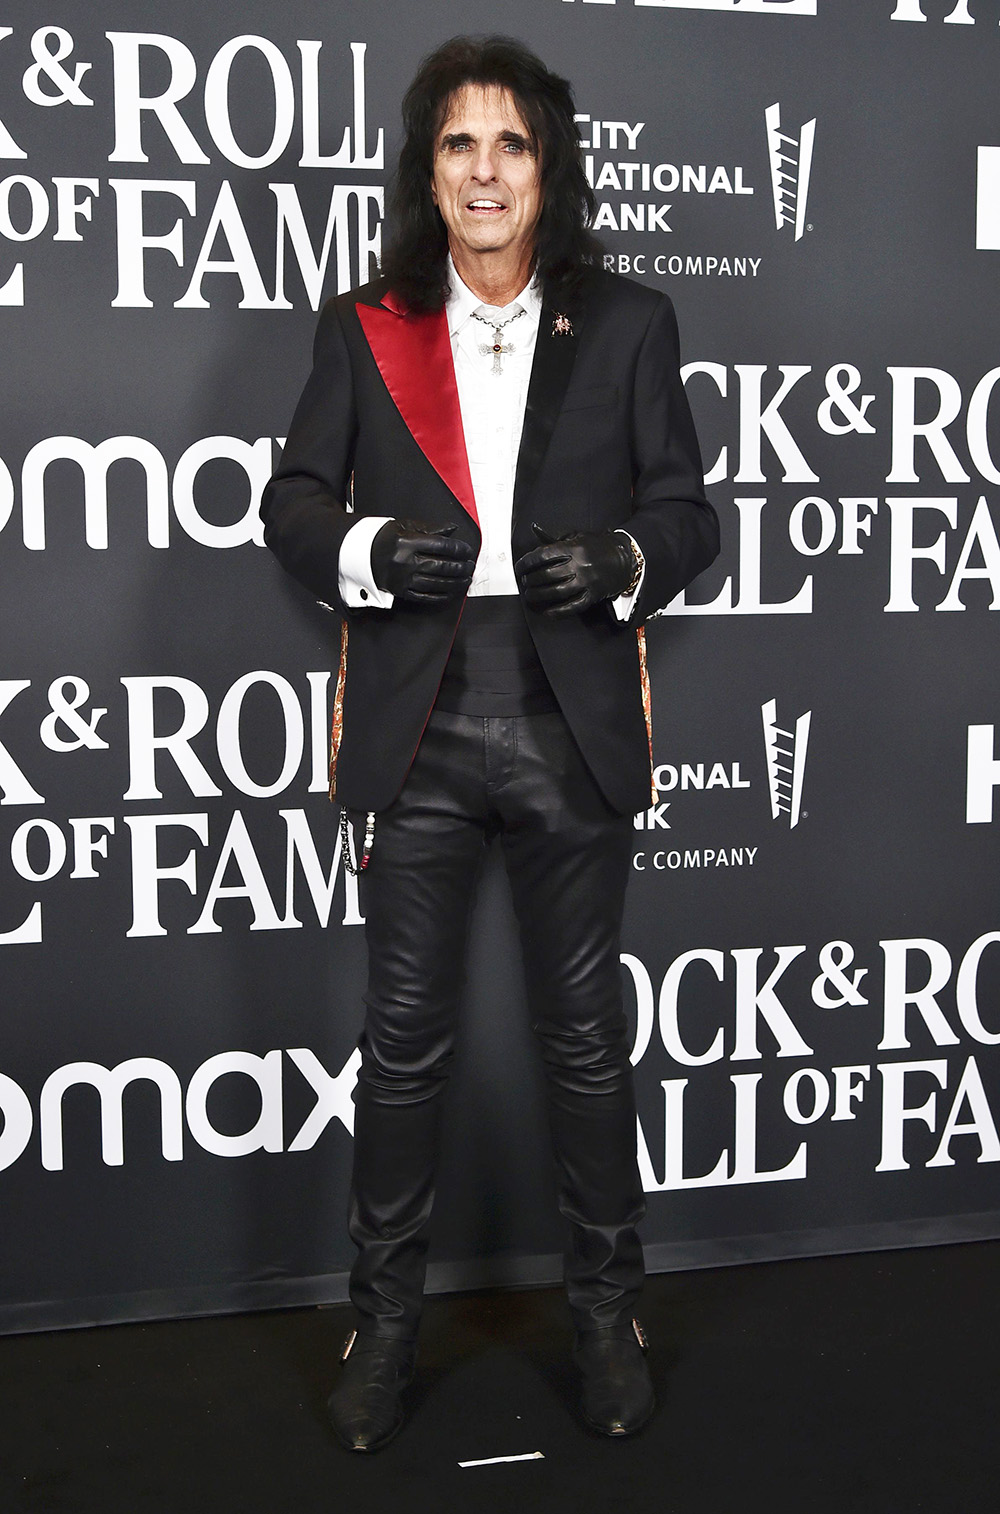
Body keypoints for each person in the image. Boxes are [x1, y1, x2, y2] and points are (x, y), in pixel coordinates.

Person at [260, 34, 719, 1452]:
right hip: (423, 728)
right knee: (402, 1047)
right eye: (459, 144)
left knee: (587, 1044)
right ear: (429, 168)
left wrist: (628, 555)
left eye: (510, 143)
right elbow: (288, 501)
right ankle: (382, 1329)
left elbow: (695, 517)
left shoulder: (631, 322)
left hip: (570, 720)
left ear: (546, 166)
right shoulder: (366, 323)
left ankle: (608, 1315)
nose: (484, 170)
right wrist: (364, 546)